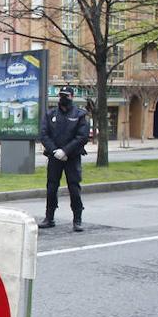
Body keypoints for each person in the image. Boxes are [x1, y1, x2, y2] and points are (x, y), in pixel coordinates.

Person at [40, 86, 91, 231]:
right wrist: (54, 150)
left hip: (72, 157)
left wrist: (65, 151)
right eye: (61, 95)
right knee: (51, 188)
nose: (63, 98)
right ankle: (49, 218)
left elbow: (82, 137)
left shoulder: (80, 114)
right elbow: (44, 134)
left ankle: (77, 219)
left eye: (66, 95)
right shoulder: (50, 114)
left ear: (72, 97)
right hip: (54, 156)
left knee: (74, 188)